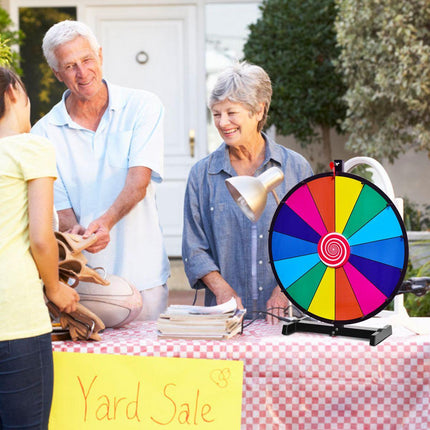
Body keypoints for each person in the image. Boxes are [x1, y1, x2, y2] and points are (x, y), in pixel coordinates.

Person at [31, 20, 170, 320]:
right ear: (57, 73)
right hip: (83, 287)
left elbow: (139, 182)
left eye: (87, 59)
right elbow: (60, 209)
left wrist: (105, 222)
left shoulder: (142, 106)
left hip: (144, 277)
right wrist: (75, 234)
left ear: (101, 56)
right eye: (70, 66)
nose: (83, 73)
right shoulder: (43, 133)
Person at [182, 61, 313, 324]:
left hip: (286, 317)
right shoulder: (202, 175)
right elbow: (194, 248)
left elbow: (313, 242)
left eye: (231, 112)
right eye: (216, 114)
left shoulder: (295, 168)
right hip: (227, 319)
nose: (223, 123)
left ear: (258, 110)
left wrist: (284, 291)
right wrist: (222, 289)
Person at [0, 66, 79, 428]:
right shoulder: (30, 147)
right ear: (13, 93)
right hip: (15, 318)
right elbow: (40, 237)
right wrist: (55, 287)